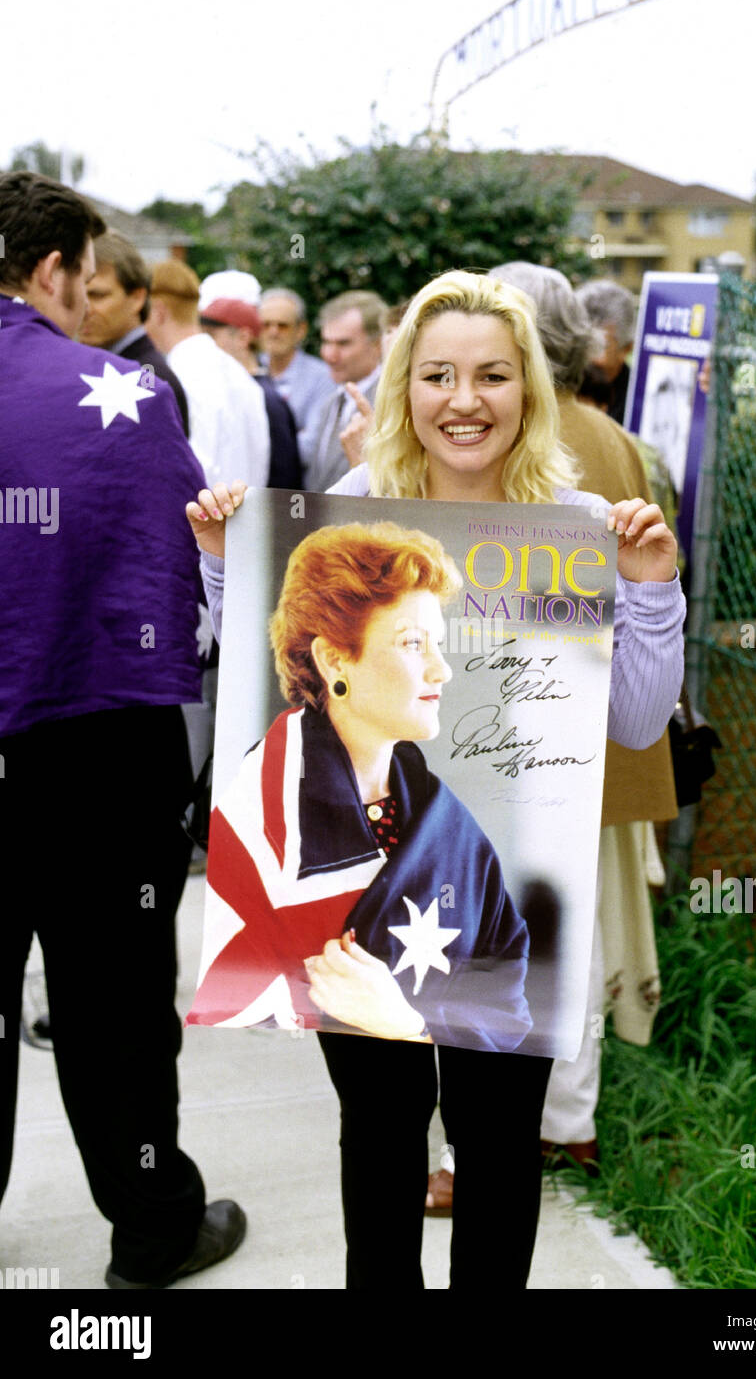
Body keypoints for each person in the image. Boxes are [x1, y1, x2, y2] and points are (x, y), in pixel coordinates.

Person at [186, 269, 685, 1290]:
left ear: (528, 391)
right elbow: (266, 691)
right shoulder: (345, 514)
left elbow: (634, 720)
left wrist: (653, 590)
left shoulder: (581, 524)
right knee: (378, 1137)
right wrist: (226, 564)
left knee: (502, 1148)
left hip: (501, 901)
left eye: (493, 375)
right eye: (441, 374)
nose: (465, 399)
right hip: (359, 901)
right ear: (405, 385)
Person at [0, 170, 245, 1289]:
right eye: (87, 283)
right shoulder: (126, 398)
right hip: (97, 743)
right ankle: (151, 1227)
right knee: (112, 1012)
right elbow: (191, 596)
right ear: (52, 270)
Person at [187, 522, 531, 1052]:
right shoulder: (269, 805)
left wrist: (408, 1023)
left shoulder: (451, 828)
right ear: (334, 659)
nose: (442, 670)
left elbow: (510, 1008)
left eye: (437, 645)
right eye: (413, 643)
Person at [491, 262, 678, 1173]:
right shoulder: (612, 433)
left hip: (528, 724)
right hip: (608, 723)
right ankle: (571, 1126)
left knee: (517, 930)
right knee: (583, 927)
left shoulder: (510, 441)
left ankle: (482, 1144)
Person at [146, 258, 270, 488]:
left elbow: (195, 473)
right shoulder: (238, 373)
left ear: (158, 312)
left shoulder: (177, 378)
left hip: (205, 520)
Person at [79, 229, 190, 434]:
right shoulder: (104, 365)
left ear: (137, 298)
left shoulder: (149, 376)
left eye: (98, 295)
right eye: (80, 294)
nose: (85, 307)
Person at [200, 297, 302, 489]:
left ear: (243, 338)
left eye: (211, 336)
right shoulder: (226, 390)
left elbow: (284, 480)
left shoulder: (266, 399)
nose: (204, 346)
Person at [300, 290, 386, 492]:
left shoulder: (393, 403)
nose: (330, 355)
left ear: (377, 345)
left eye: (343, 344)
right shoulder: (330, 403)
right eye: (326, 342)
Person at [258, 287, 333, 443]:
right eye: (266, 325)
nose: (273, 332)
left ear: (301, 330)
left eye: (282, 325)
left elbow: (312, 444)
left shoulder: (322, 377)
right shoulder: (249, 371)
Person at [576, 278, 637, 424]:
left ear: (626, 349)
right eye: (579, 342)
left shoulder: (638, 405)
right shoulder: (553, 389)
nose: (585, 356)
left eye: (597, 346)